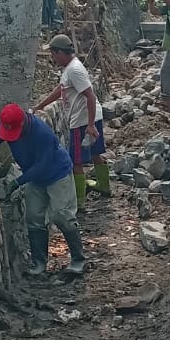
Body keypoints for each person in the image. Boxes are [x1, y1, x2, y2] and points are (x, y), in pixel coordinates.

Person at [0, 103, 86, 276]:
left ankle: (78, 260)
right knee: (34, 217)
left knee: (61, 215)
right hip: (34, 177)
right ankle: (39, 263)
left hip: (57, 174)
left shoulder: (42, 133)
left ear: (22, 124)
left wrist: (16, 182)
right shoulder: (4, 125)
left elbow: (42, 166)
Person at [34, 34, 111, 210]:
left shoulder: (74, 70)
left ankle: (79, 202)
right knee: (95, 153)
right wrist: (40, 105)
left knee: (76, 161)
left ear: (61, 52)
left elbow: (90, 95)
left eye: (53, 55)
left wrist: (90, 125)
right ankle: (104, 186)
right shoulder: (71, 68)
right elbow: (61, 90)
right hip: (90, 116)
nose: (53, 59)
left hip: (82, 121)